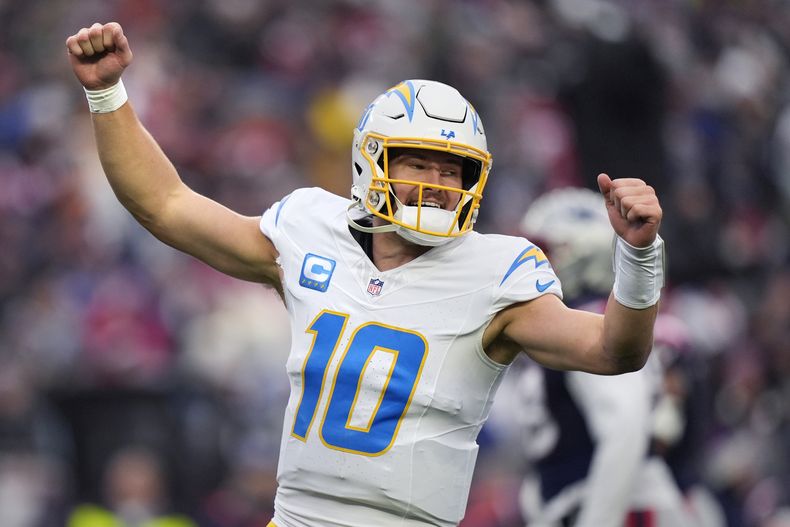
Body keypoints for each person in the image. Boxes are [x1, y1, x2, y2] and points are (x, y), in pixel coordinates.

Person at [65, 22, 665, 527]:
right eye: (417, 162)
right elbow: (165, 205)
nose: (436, 182)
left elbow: (614, 350)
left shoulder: (497, 273)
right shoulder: (308, 230)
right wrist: (107, 96)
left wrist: (638, 258)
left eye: (452, 170)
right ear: (369, 161)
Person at [514, 188, 720, 527]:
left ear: (578, 252)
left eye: (543, 252)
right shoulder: (562, 322)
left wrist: (596, 519)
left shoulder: (592, 320)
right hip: (600, 502)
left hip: (624, 508)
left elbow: (625, 424)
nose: (530, 265)